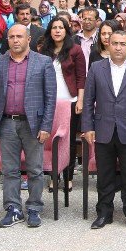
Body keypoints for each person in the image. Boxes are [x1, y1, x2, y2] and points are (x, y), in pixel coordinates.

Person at [0, 23, 57, 228]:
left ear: (28, 39)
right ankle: (13, 209)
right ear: (6, 40)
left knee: (35, 169)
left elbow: (50, 98)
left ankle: (34, 208)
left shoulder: (43, 62)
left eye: (19, 36)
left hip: (33, 124)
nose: (15, 40)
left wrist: (46, 126)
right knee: (10, 170)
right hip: (7, 123)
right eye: (11, 37)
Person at [82, 31, 126, 231]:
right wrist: (87, 126)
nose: (118, 47)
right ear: (108, 45)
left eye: (123, 43)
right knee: (104, 175)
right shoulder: (96, 68)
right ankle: (104, 213)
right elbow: (88, 100)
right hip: (102, 129)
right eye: (115, 43)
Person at [38, 17, 86, 190]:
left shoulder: (75, 50)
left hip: (70, 101)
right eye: (54, 27)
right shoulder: (44, 50)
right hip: (48, 102)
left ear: (67, 30)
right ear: (49, 31)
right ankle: (53, 175)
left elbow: (81, 77)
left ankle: (68, 176)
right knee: (51, 139)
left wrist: (80, 99)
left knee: (68, 140)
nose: (57, 30)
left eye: (61, 27)